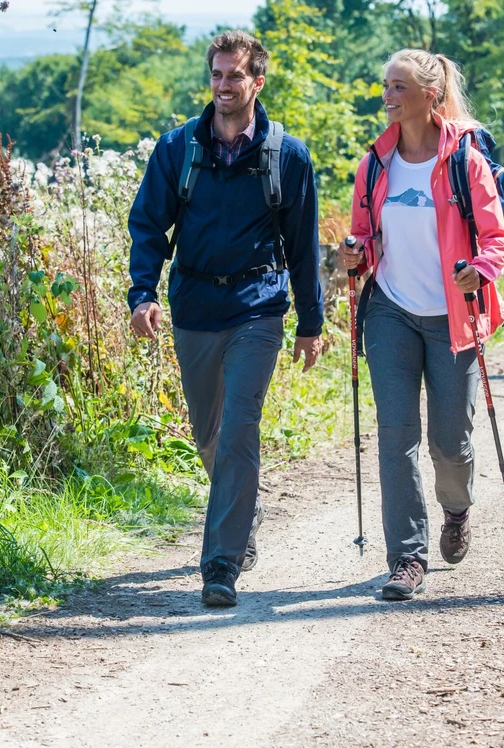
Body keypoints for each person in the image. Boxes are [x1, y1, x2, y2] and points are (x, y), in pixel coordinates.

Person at [127, 30, 324, 607]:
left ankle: (220, 564)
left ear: (257, 82)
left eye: (234, 75)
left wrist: (310, 324)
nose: (222, 85)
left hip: (257, 308)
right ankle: (244, 507)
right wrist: (142, 294)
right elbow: (148, 225)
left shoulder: (287, 156)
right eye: (216, 75)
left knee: (239, 428)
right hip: (193, 307)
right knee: (209, 434)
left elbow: (304, 246)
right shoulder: (178, 150)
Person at [339, 49, 504, 601]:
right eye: (385, 85)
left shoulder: (465, 162)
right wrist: (354, 251)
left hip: (452, 318)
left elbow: (497, 238)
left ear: (430, 95)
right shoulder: (375, 164)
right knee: (396, 437)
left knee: (450, 441)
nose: (386, 95)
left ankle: (456, 509)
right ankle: (406, 558)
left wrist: (479, 272)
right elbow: (366, 236)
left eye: (398, 87)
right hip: (390, 310)